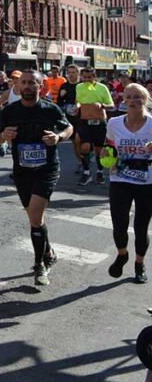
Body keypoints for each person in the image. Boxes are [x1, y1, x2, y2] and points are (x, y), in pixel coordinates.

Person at [0, 70, 73, 286]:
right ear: (18, 86)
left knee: (36, 217)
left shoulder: (50, 109)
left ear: (41, 86)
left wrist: (58, 137)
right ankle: (48, 251)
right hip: (22, 171)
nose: (27, 86)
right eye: (24, 83)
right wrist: (3, 136)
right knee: (35, 219)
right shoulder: (10, 110)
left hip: (46, 169)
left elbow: (68, 127)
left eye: (32, 83)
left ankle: (40, 265)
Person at [103, 83, 152, 283]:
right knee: (119, 223)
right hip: (120, 179)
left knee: (141, 226)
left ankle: (139, 264)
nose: (133, 101)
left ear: (145, 100)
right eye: (129, 97)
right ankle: (122, 254)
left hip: (147, 182)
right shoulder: (114, 123)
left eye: (137, 97)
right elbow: (109, 145)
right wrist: (107, 155)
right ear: (124, 100)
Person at [76, 67, 115, 186]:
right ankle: (86, 172)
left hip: (99, 122)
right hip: (85, 122)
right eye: (85, 77)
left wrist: (102, 105)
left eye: (90, 77)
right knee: (85, 148)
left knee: (99, 150)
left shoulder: (102, 88)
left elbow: (111, 105)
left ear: (95, 77)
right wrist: (76, 107)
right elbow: (78, 101)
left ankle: (100, 172)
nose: (87, 79)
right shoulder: (79, 87)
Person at [56, 65, 85, 172]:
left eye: (73, 72)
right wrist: (62, 96)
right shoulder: (64, 86)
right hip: (70, 118)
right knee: (75, 142)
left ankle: (86, 155)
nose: (71, 74)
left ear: (78, 73)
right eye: (69, 72)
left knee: (81, 141)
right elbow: (59, 102)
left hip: (83, 116)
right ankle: (80, 162)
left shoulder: (82, 85)